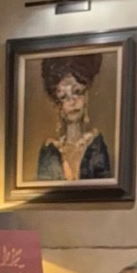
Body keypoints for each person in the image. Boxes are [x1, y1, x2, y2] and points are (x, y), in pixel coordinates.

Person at [35, 53, 111, 183]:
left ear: (86, 96)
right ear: (58, 105)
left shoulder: (96, 145)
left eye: (77, 92)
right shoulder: (49, 150)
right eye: (64, 97)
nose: (72, 102)